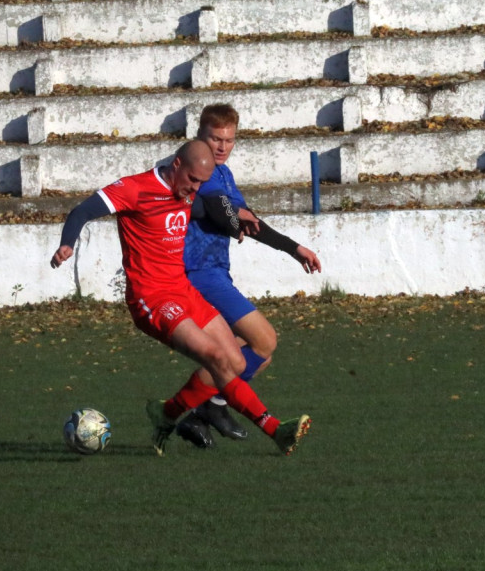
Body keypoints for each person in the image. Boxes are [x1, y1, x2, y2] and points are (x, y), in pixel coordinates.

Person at [50, 140, 311, 456]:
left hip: (183, 290)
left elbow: (210, 209)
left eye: (202, 183)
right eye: (192, 180)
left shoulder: (189, 193)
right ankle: (275, 429)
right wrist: (67, 243)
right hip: (152, 299)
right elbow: (83, 210)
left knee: (237, 361)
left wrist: (240, 217)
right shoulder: (135, 189)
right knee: (216, 358)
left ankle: (167, 414)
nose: (195, 188)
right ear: (176, 165)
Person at [175, 104, 322, 448]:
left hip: (216, 274)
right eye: (215, 138)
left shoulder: (223, 173)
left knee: (258, 356)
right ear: (200, 135)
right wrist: (234, 217)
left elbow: (245, 218)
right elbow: (216, 208)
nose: (222, 147)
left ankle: (194, 413)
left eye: (229, 140)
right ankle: (205, 407)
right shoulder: (196, 170)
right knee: (265, 340)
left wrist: (292, 247)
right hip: (197, 275)